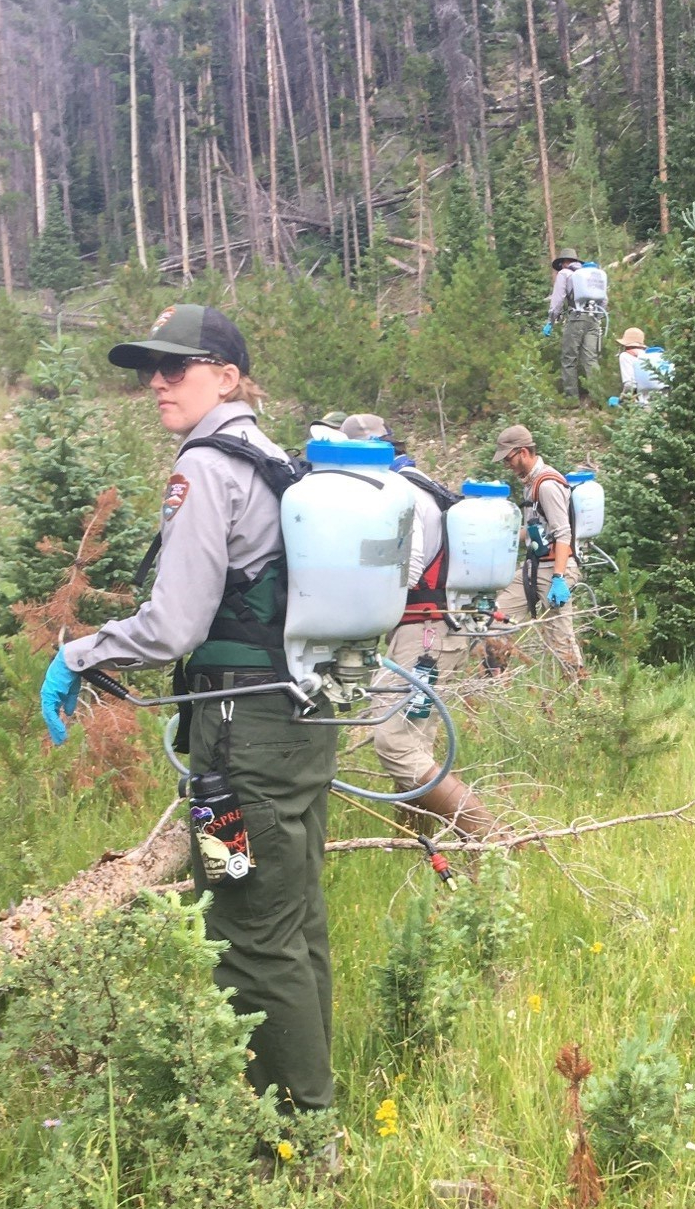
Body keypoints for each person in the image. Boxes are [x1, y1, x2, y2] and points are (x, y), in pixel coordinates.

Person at [38, 303, 337, 1115]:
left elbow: (176, 622)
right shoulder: (272, 456)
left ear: (228, 376)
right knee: (295, 921)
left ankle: (299, 1141)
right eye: (150, 369)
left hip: (240, 741)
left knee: (247, 929)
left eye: (178, 366)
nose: (157, 382)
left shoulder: (204, 465)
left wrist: (78, 654)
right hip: (300, 723)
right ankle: (309, 1110)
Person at [364, 435, 504, 837]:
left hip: (423, 634)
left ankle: (493, 841)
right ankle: (413, 841)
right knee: (414, 737)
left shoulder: (400, 491)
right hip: (441, 629)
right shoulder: (423, 482)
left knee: (397, 744)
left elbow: (407, 573)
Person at [490, 423, 583, 674]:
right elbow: (536, 530)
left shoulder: (547, 484)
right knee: (495, 623)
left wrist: (559, 578)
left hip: (554, 568)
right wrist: (503, 536)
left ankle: (580, 698)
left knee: (561, 641)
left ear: (522, 452)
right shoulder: (530, 483)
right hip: (533, 567)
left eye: (508, 458)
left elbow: (563, 534)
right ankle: (493, 684)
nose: (505, 464)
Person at [544, 246, 603, 403]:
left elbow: (557, 300)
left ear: (563, 263)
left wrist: (551, 321)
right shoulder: (592, 276)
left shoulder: (565, 274)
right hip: (594, 318)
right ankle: (598, 398)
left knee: (569, 359)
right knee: (591, 359)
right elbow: (604, 301)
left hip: (576, 317)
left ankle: (571, 400)